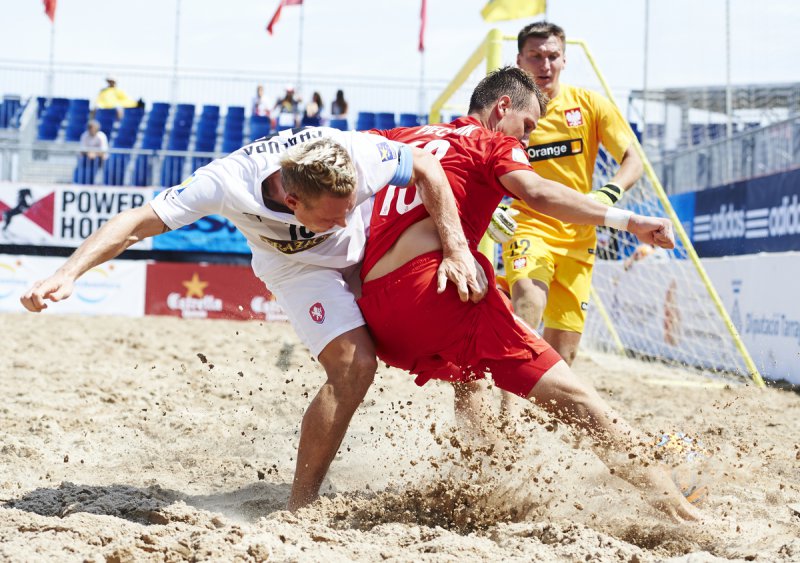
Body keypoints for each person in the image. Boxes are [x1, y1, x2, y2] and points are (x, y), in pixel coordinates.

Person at [19, 126, 483, 512]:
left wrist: (458, 248)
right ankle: (301, 507)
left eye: (347, 209)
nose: (343, 221)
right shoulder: (225, 182)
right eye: (331, 215)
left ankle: (478, 453)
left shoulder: (358, 154)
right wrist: (67, 272)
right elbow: (138, 222)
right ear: (293, 200)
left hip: (371, 248)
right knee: (355, 366)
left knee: (448, 318)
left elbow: (428, 166)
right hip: (296, 267)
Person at [353, 66, 698, 521]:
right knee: (579, 400)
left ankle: (480, 474)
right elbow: (536, 191)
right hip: (431, 291)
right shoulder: (493, 142)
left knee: (468, 375)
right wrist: (628, 221)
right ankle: (683, 512)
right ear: (501, 108)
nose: (529, 138)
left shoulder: (403, 134)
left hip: (377, 313)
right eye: (528, 125)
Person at [465, 21, 646, 415]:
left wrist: (608, 194)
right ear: (519, 60)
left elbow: (634, 160)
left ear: (564, 58)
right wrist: (492, 207)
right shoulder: (508, 113)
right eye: (535, 56)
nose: (545, 64)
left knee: (564, 353)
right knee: (529, 296)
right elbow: (476, 164)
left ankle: (535, 432)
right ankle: (506, 417)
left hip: (581, 237)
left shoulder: (591, 105)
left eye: (552, 56)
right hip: (528, 226)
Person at [76, 119, 108, 184]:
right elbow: (82, 150)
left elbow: (104, 151)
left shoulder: (101, 136)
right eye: (89, 128)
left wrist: (94, 154)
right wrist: (89, 153)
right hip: (86, 158)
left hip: (99, 160)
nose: (91, 130)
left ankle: (91, 182)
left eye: (92, 128)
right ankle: (79, 182)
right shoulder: (85, 135)